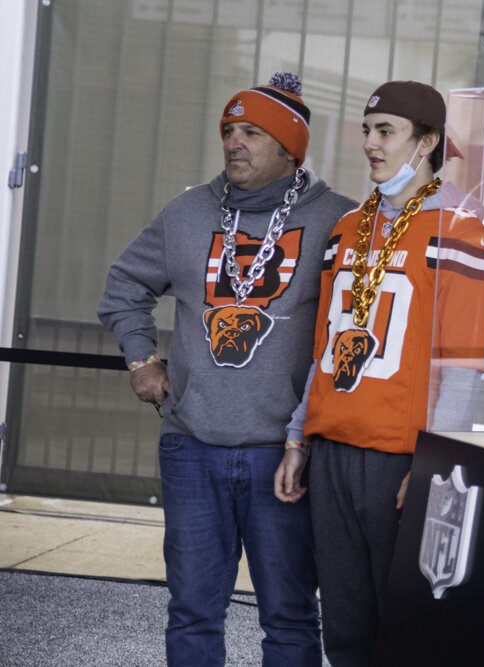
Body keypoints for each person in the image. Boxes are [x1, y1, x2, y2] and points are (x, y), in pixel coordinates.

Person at [98, 72, 356, 666]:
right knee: (191, 612)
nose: (234, 142)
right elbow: (124, 286)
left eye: (252, 132)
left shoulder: (339, 222)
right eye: (229, 131)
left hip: (285, 453)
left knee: (291, 617)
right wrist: (141, 357)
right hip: (192, 444)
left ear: (290, 148)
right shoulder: (187, 212)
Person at [273, 80, 484, 666]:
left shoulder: (460, 230)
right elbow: (325, 347)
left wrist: (436, 464)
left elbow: (464, 365)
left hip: (402, 457)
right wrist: (300, 435)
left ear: (425, 143)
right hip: (335, 451)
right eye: (367, 130)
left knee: (403, 624)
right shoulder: (349, 229)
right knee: (344, 624)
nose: (371, 144)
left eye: (386, 132)